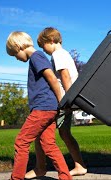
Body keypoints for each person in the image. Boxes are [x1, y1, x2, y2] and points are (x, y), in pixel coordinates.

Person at [6, 31, 71, 180]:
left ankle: (16, 178)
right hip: (49, 109)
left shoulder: (36, 57)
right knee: (48, 144)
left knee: (21, 141)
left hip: (43, 108)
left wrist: (61, 101)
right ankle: (65, 177)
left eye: (14, 54)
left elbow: (53, 79)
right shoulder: (38, 58)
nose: (16, 58)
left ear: (18, 46)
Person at [25, 27, 87, 179]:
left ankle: (40, 168)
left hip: (63, 101)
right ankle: (79, 165)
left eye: (43, 46)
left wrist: (67, 100)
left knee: (41, 133)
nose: (43, 50)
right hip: (66, 101)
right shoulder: (64, 54)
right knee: (65, 133)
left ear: (50, 41)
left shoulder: (58, 54)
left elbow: (65, 76)